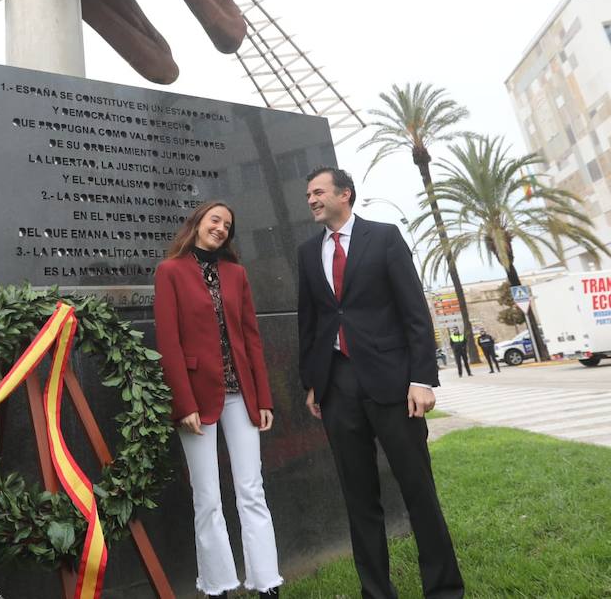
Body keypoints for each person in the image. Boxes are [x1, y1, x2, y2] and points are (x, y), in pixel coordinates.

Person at [297, 167, 464, 599]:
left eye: (318, 192)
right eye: (309, 195)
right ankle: (376, 592)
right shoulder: (307, 252)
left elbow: (414, 311)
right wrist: (313, 383)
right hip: (337, 386)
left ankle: (443, 589)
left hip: (394, 385)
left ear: (344, 194)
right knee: (359, 498)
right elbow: (310, 323)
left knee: (418, 490)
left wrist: (422, 379)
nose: (311, 200)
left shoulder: (385, 237)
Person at [153, 201, 282, 599]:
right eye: (215, 220)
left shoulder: (236, 274)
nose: (221, 228)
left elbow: (251, 339)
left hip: (240, 396)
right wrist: (183, 402)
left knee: (252, 489)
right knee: (207, 497)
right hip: (196, 399)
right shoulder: (170, 272)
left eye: (228, 224)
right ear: (197, 223)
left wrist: (262, 397)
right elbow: (169, 342)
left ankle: (267, 583)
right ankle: (218, 585)